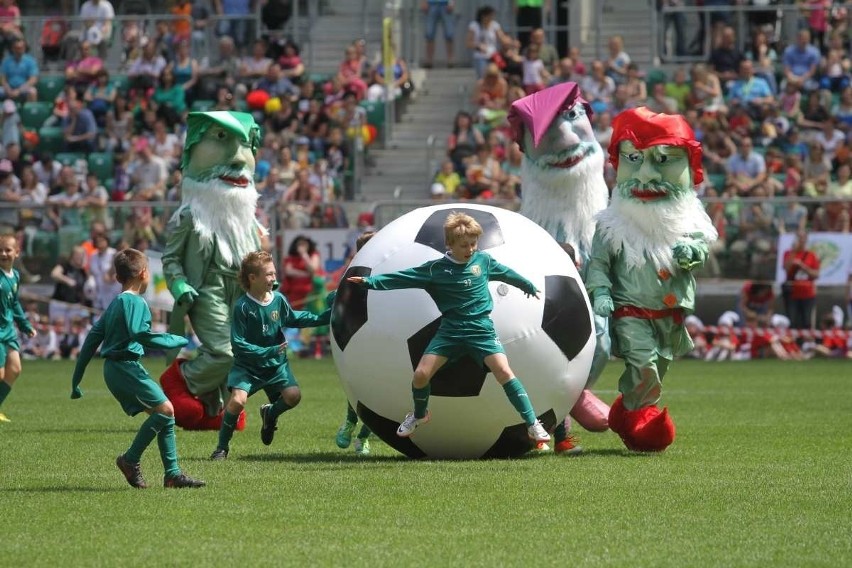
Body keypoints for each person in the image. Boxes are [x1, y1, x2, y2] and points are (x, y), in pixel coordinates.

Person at [347, 212, 551, 443]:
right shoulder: (435, 270)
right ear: (449, 244)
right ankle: (419, 414)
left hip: (481, 329)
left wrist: (526, 284)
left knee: (504, 372)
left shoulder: (483, 262)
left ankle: (533, 423)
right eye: (464, 245)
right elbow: (402, 278)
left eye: (474, 243)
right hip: (450, 331)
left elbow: (507, 273)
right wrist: (370, 282)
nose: (471, 249)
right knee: (421, 375)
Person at [586, 107, 718, 452]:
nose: (645, 176)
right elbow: (598, 262)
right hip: (631, 311)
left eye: (663, 161)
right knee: (644, 364)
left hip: (670, 315)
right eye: (633, 160)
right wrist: (600, 292)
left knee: (658, 366)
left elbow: (700, 248)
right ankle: (639, 418)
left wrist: (693, 252)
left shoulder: (690, 220)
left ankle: (625, 414)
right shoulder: (612, 224)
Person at [508, 82, 611, 454]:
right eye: (549, 131)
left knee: (602, 338)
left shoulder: (607, 218)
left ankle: (573, 402)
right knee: (548, 347)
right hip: (540, 315)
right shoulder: (526, 231)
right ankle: (557, 427)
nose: (566, 139)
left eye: (571, 118)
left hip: (599, 300)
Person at [159, 111, 264, 432]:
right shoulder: (190, 216)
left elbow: (257, 258)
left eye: (246, 144)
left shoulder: (247, 219)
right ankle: (178, 380)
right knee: (224, 352)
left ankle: (210, 404)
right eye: (221, 140)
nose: (238, 157)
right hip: (207, 289)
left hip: (241, 291)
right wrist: (178, 287)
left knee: (243, 353)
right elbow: (170, 259)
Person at [70, 248, 205, 489]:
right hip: (124, 367)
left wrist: (76, 380)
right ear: (144, 273)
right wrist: (174, 340)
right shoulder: (134, 302)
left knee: (166, 415)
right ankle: (130, 460)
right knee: (165, 410)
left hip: (116, 369)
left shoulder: (116, 303)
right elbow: (140, 334)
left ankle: (172, 475)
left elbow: (92, 339)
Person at [210, 250, 331, 460]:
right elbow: (237, 344)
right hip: (248, 367)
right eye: (268, 274)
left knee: (294, 397)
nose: (273, 278)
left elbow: (294, 318)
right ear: (252, 278)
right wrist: (269, 350)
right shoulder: (242, 307)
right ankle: (222, 448)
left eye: (274, 273)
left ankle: (270, 414)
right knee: (237, 402)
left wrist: (325, 317)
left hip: (276, 365)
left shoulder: (279, 300)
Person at [334, 231, 376, 455]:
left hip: (386, 340)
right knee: (360, 389)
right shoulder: (353, 274)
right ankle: (349, 423)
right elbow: (340, 299)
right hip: (359, 340)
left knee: (382, 395)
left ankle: (363, 437)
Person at [0, 233, 36, 423]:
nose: (4, 254)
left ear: (17, 252)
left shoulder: (15, 276)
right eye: (0, 250)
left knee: (14, 369)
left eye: (8, 250)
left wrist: (25, 325)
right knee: (0, 374)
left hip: (7, 330)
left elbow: (14, 303)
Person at [782, 228, 820, 330]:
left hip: (807, 292)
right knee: (792, 321)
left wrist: (803, 266)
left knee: (806, 321)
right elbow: (786, 268)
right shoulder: (788, 253)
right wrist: (793, 253)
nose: (801, 240)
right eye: (799, 238)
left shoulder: (812, 255)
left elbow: (816, 274)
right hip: (792, 292)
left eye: (803, 238)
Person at [422, 0, 455, 69]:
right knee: (429, 34)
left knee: (449, 34)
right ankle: (429, 60)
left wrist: (451, 3)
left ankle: (450, 60)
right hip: (431, 4)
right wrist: (424, 2)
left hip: (445, 4)